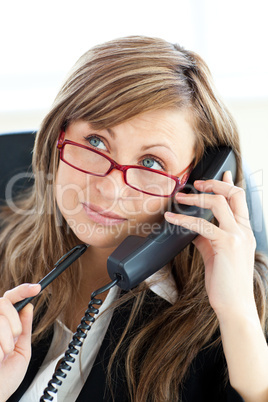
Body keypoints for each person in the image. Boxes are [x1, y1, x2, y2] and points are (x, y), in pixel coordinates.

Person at [0, 36, 267, 402]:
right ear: (57, 138)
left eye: (151, 164)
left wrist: (237, 315)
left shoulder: (239, 305)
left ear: (194, 184)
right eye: (95, 142)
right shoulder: (5, 245)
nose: (108, 189)